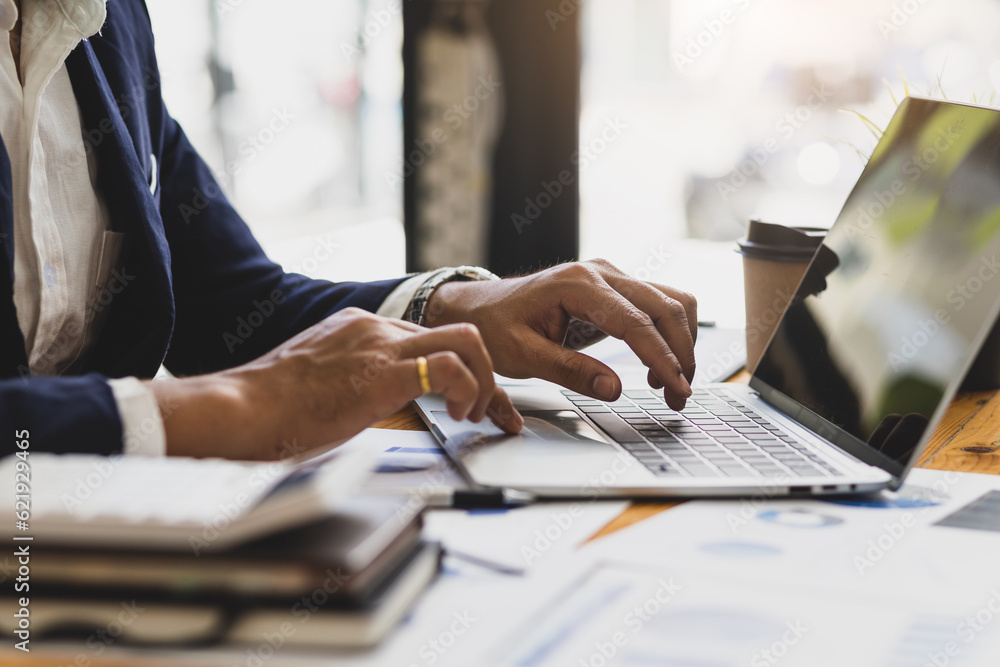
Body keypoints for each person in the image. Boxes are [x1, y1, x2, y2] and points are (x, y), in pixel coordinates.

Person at [0, 0, 697, 460]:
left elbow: (231, 308)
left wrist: (450, 312)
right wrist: (227, 405)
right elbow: (237, 380)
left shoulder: (106, 18)